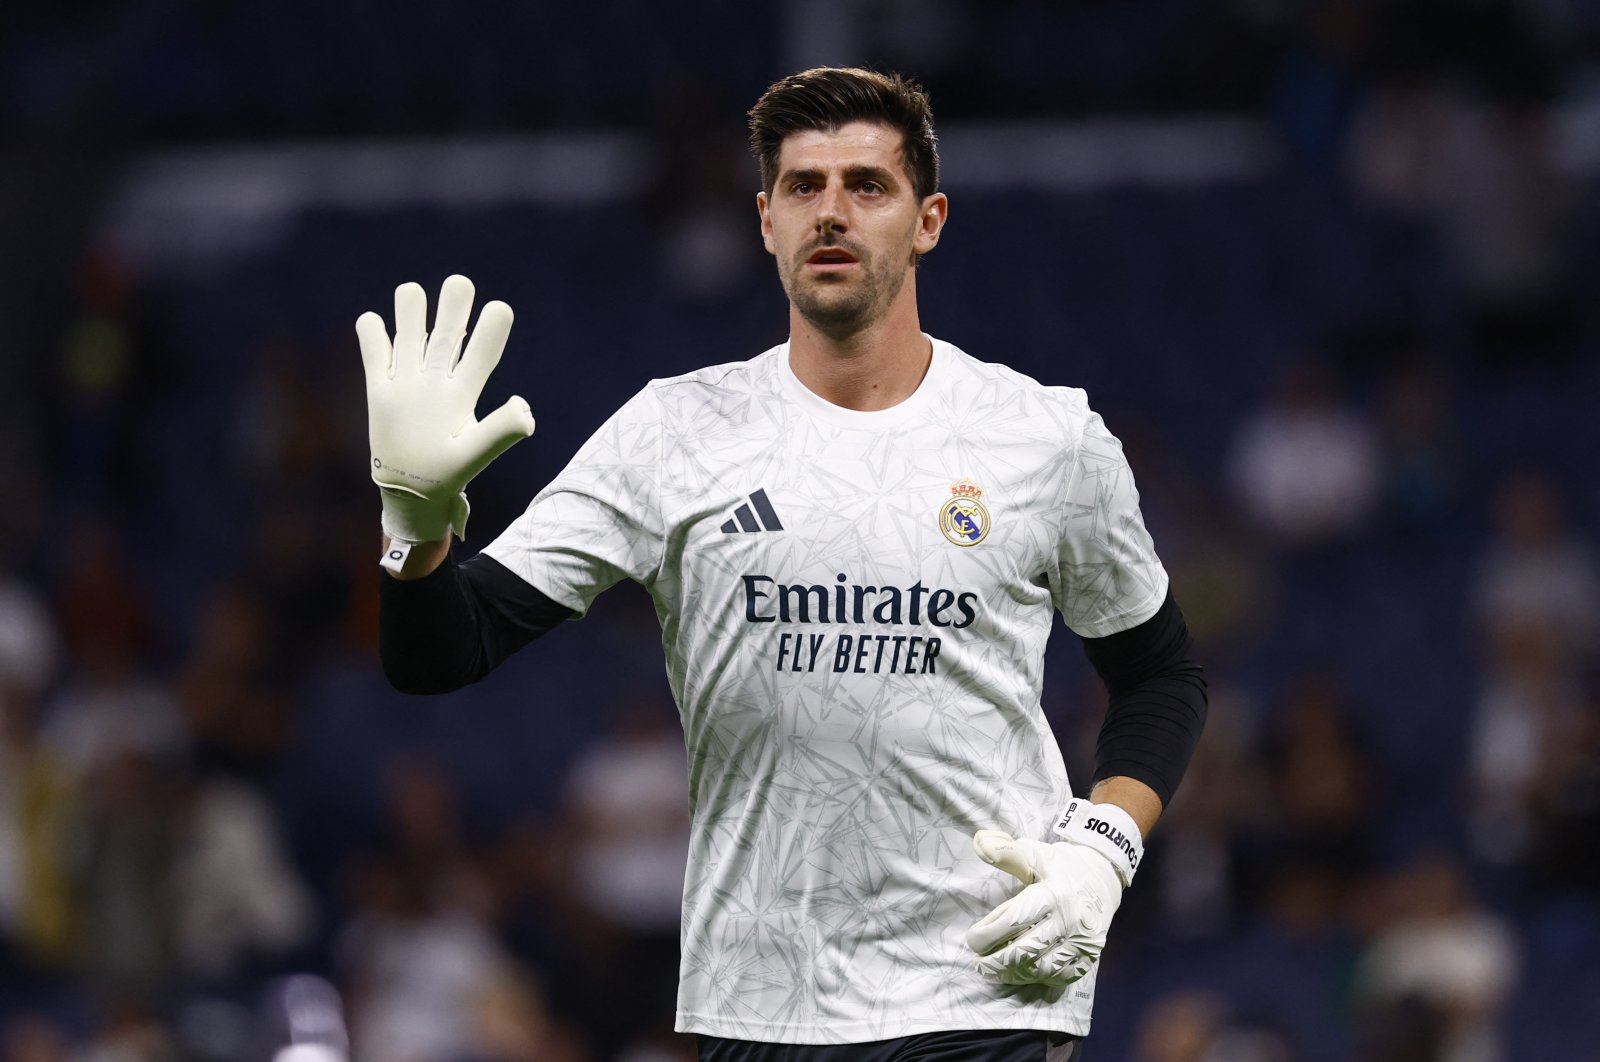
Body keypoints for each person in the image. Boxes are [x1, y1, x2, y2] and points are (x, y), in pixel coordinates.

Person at [362, 68, 1207, 1061]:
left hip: (983, 991)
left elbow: (1160, 675)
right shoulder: (673, 430)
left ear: (927, 220)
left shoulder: (1045, 437)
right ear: (765, 222)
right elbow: (441, 653)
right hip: (762, 1004)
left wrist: (1101, 851)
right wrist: (413, 528)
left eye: (867, 185)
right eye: (804, 187)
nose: (832, 213)